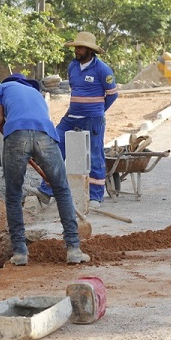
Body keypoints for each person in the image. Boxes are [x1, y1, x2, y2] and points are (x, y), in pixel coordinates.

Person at [0, 73, 90, 265]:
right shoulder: (36, 93)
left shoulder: (1, 89)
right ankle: (73, 250)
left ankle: (20, 253)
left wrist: (13, 138)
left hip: (16, 134)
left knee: (13, 195)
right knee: (61, 189)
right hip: (45, 135)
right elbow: (38, 121)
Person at [32, 32, 118, 209]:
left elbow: (112, 94)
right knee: (54, 146)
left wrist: (97, 111)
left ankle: (95, 196)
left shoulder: (102, 69)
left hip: (93, 119)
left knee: (95, 155)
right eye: (76, 47)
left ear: (89, 50)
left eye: (80, 48)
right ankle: (47, 190)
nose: (77, 50)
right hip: (71, 118)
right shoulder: (72, 67)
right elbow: (75, 89)